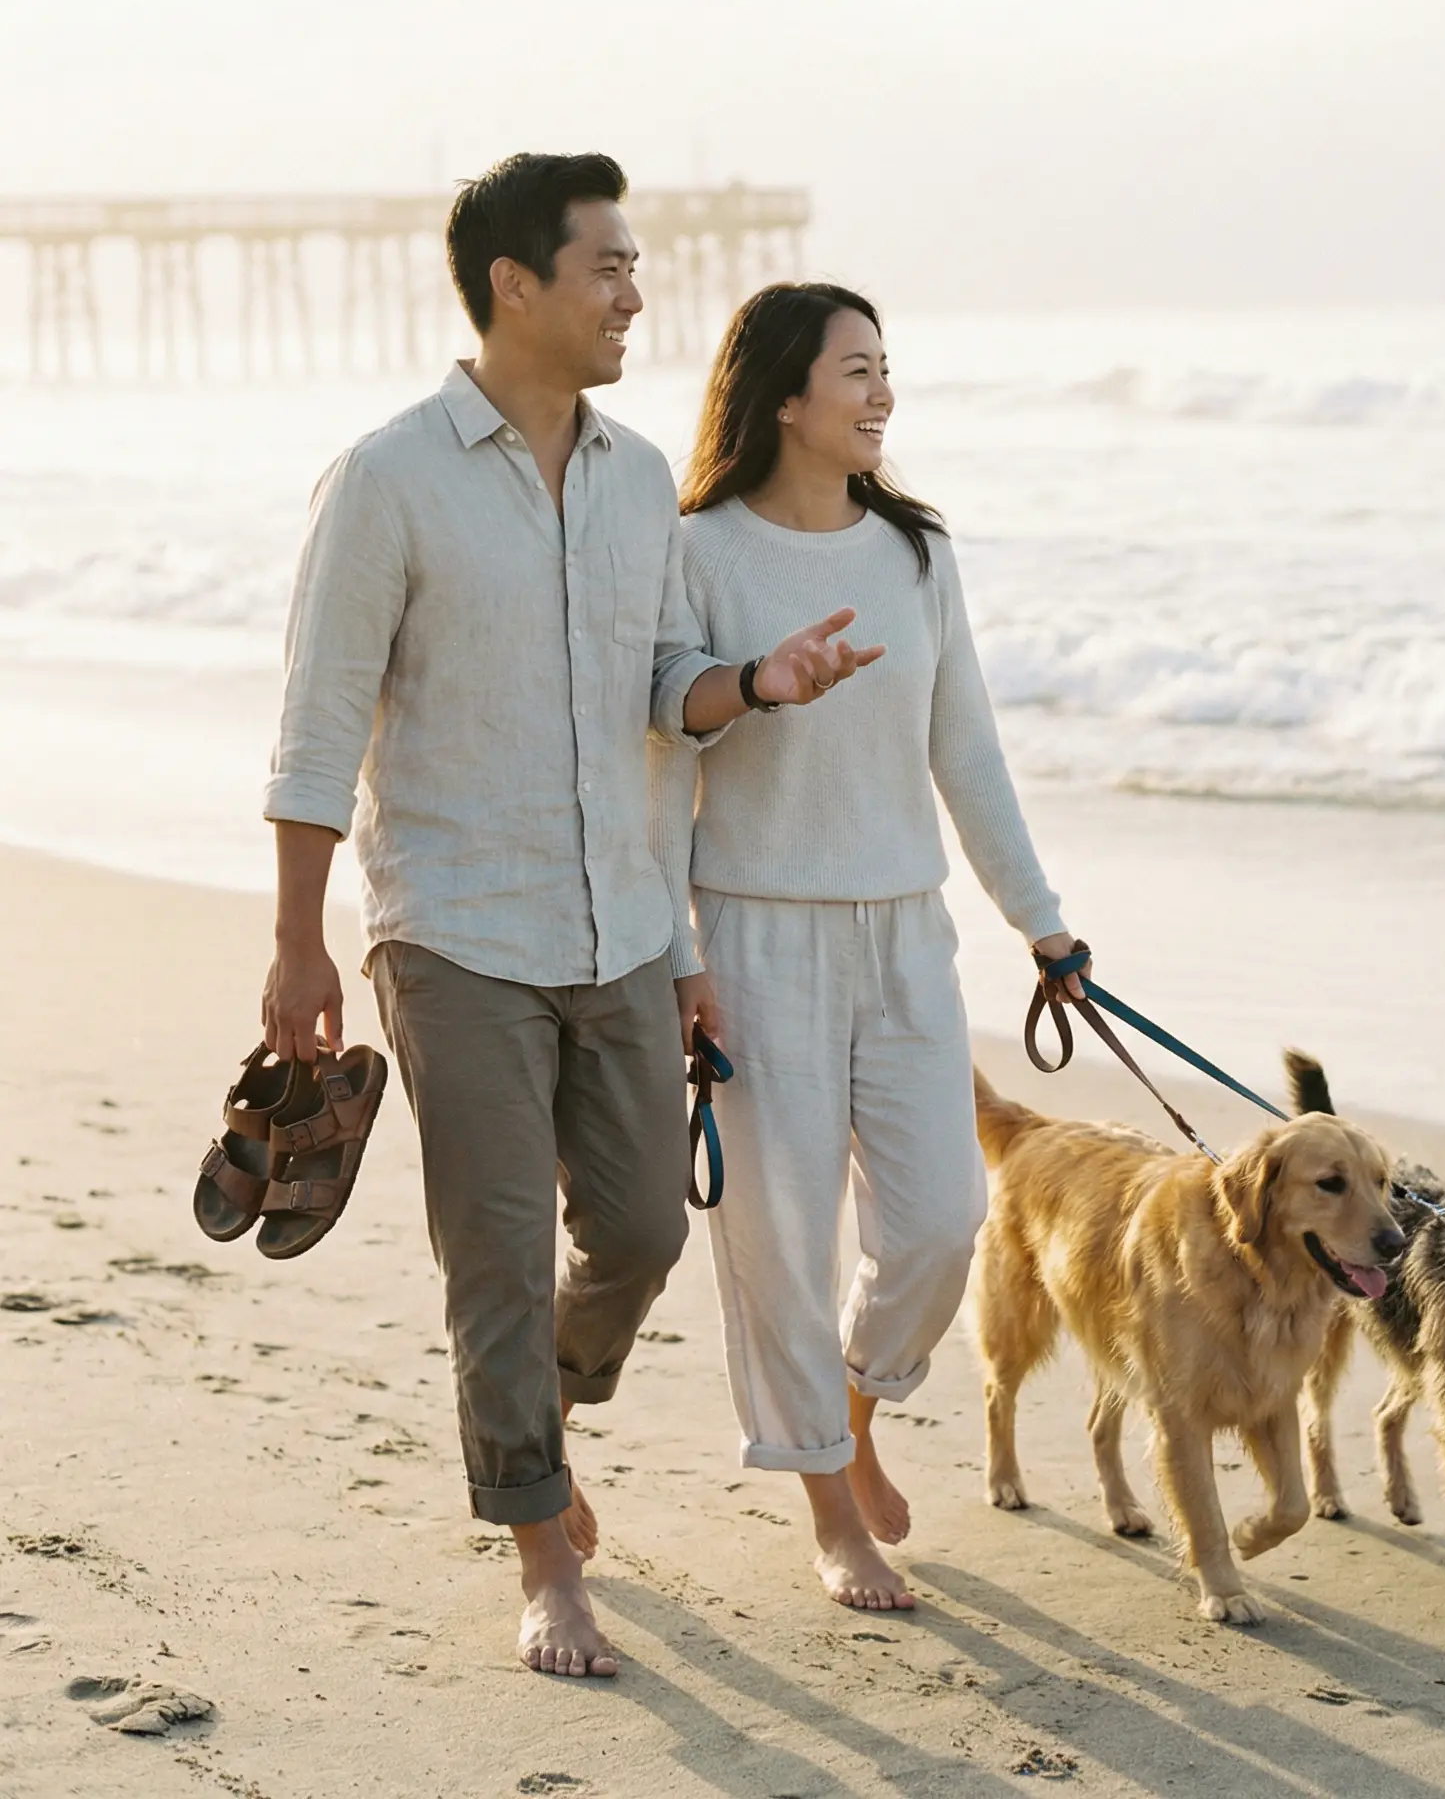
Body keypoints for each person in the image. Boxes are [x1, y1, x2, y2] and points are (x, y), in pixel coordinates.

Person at [260, 156, 879, 1679]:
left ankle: (525, 1404)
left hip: (616, 928)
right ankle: (544, 1551)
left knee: (643, 1228)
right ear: (514, 286)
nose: (635, 295)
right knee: (490, 1248)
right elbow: (318, 723)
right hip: (452, 924)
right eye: (607, 267)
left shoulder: (631, 475)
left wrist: (759, 685)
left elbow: (667, 690)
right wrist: (296, 940)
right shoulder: (388, 477)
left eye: (636, 266)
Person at [649, 282, 1088, 1612]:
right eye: (856, 371)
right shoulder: (699, 549)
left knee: (945, 1220)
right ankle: (831, 1509)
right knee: (779, 1235)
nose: (882, 393)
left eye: (886, 368)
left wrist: (1044, 923)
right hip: (754, 930)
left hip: (906, 931)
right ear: (784, 395)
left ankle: (852, 1401)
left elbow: (970, 750)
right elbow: (664, 744)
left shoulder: (916, 553)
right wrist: (681, 956)